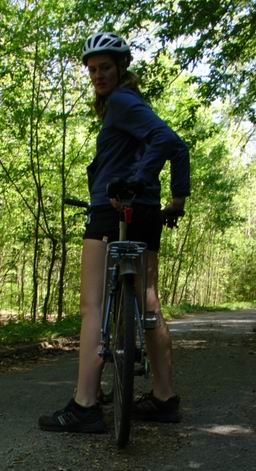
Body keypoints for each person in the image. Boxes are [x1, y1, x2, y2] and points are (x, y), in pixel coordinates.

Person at [39, 31, 190, 433]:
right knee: (149, 303)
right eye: (91, 69)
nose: (97, 75)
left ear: (122, 67)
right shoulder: (131, 105)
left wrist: (132, 179)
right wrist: (176, 198)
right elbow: (176, 148)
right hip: (146, 212)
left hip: (113, 210)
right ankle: (163, 398)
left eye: (105, 67)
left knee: (92, 306)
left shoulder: (122, 102)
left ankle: (84, 405)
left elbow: (169, 140)